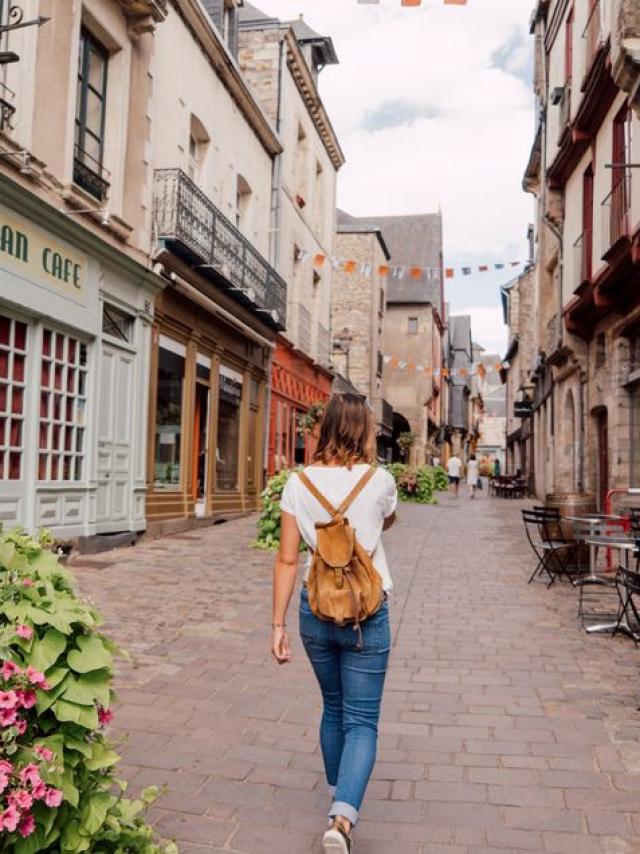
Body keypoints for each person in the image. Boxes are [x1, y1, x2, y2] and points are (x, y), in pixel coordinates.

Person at [272, 393, 398, 854]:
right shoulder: (381, 478)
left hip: (315, 611)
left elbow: (287, 559)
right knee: (362, 721)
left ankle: (337, 794)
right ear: (365, 430)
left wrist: (277, 625)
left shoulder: (297, 483)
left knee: (332, 706)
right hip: (367, 612)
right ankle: (342, 819)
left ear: (324, 428)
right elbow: (387, 520)